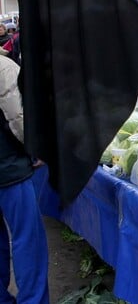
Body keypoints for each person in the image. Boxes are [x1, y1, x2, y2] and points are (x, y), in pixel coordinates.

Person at [0, 54, 50, 303]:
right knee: (27, 241)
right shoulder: (3, 67)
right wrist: (35, 149)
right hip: (9, 169)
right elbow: (17, 116)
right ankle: (33, 300)